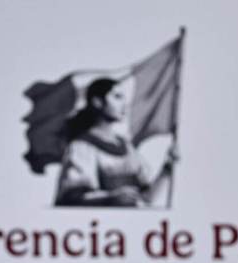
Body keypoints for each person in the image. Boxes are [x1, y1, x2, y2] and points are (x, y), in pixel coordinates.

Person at [55, 78, 177, 207]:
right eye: (117, 97)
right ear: (97, 102)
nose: (124, 105)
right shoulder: (82, 147)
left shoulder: (126, 147)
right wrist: (111, 198)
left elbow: (147, 198)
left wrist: (167, 169)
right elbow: (72, 198)